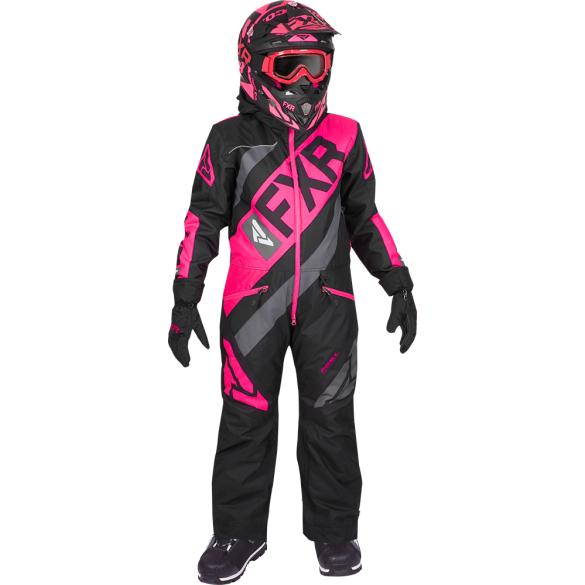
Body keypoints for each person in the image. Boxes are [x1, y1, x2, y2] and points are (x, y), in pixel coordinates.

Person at [168, 2, 417, 583]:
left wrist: (398, 286)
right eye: (289, 65)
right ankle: (238, 533)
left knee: (332, 418)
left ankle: (336, 533)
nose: (305, 80)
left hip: (329, 303)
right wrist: (183, 301)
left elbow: (367, 220)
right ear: (254, 67)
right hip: (250, 303)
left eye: (316, 65)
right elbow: (203, 224)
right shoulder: (229, 140)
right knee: (244, 419)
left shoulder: (346, 136)